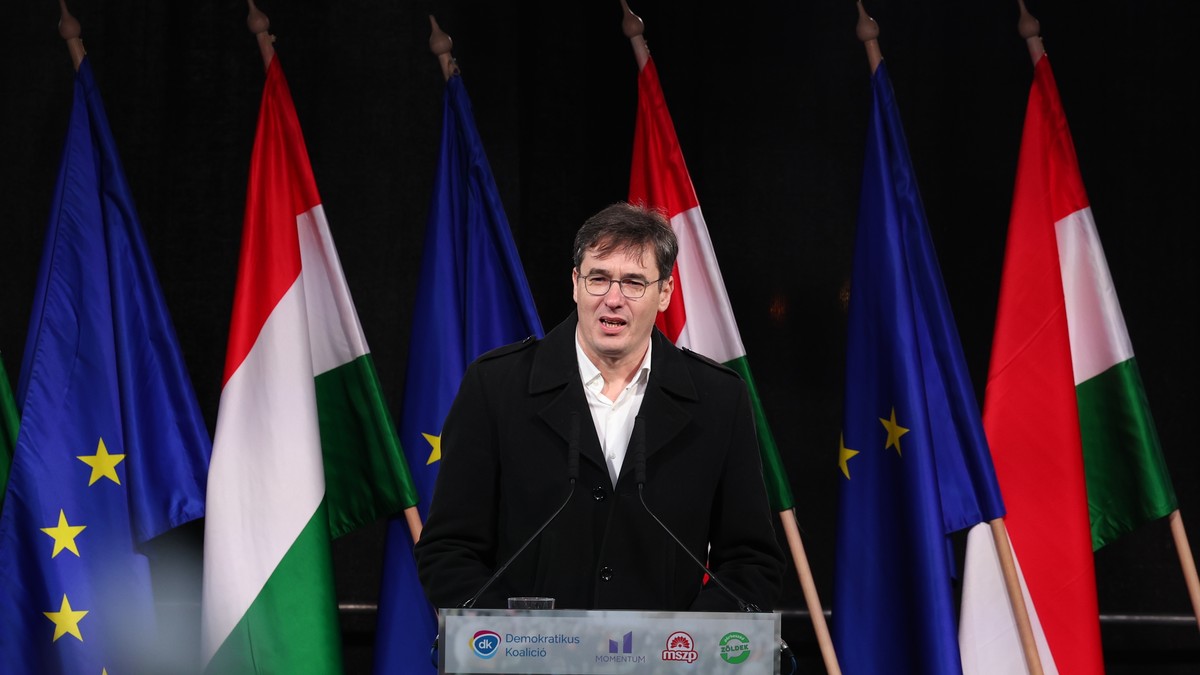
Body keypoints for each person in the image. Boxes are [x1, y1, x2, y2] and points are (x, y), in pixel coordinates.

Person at [414, 202, 784, 612]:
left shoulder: (719, 399)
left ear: (665, 293)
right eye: (599, 279)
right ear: (575, 284)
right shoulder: (497, 386)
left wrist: (687, 640)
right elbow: (449, 550)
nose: (613, 299)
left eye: (633, 282)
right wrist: (514, 635)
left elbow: (752, 564)